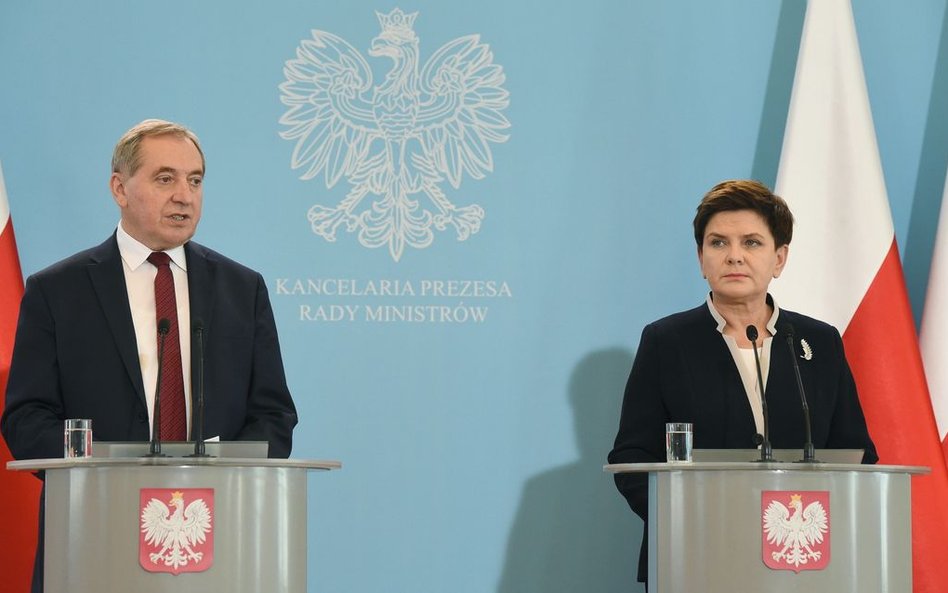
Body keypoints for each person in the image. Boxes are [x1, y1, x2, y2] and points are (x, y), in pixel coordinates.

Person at [1, 119, 298, 592]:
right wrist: (102, 463)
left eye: (195, 180)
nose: (184, 195)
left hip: (219, 542)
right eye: (165, 179)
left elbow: (274, 415)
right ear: (119, 188)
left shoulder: (243, 289)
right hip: (92, 539)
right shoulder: (58, 291)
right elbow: (26, 419)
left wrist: (220, 471)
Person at [607, 179, 877, 588]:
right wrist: (696, 521)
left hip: (806, 562)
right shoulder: (666, 341)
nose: (734, 256)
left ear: (779, 258)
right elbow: (632, 459)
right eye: (718, 243)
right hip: (695, 557)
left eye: (751, 243)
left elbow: (857, 457)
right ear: (701, 258)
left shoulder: (818, 342)